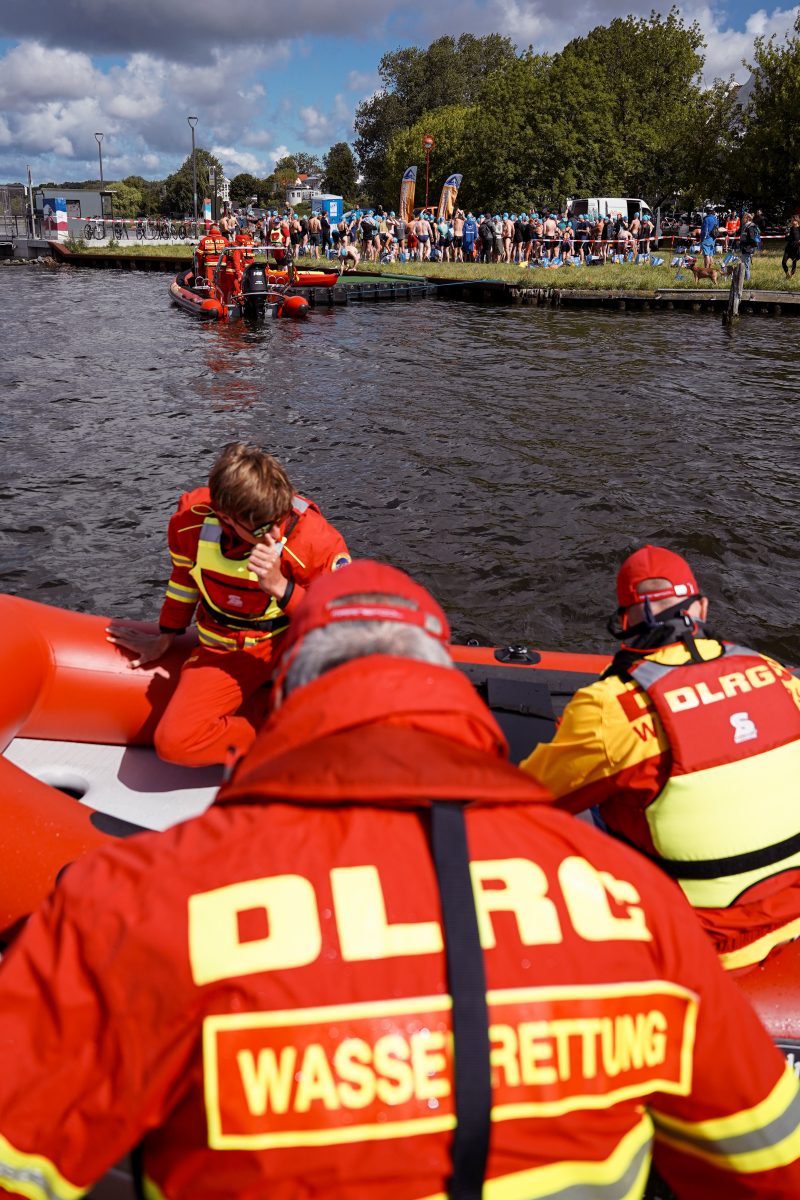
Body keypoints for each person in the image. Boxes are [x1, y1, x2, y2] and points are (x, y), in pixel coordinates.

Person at [2, 559, 800, 1200]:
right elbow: (769, 1165)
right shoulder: (631, 902)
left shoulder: (132, 903)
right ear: (447, 684)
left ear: (287, 694)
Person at [521, 543, 800, 971]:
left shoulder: (611, 706)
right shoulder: (773, 672)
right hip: (793, 910)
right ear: (701, 608)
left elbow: (525, 800)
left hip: (706, 940)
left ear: (625, 621)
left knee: (590, 799)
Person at [106, 442, 350, 768]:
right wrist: (165, 637)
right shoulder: (189, 524)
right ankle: (286, 734)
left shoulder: (315, 539)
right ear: (225, 518)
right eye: (261, 528)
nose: (275, 533)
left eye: (279, 516)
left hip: (294, 645)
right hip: (226, 648)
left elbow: (340, 621)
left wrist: (282, 587)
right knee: (176, 742)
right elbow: (184, 580)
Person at [738, 211, 761, 283]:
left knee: (746, 266)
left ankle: (747, 281)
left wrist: (744, 242)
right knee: (744, 264)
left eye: (743, 218)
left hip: (748, 248)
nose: (742, 219)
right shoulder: (745, 226)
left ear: (747, 218)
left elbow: (752, 238)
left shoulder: (750, 227)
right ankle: (745, 280)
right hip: (745, 247)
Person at [700, 203, 718, 268]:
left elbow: (705, 230)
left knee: (706, 255)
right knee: (710, 255)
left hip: (707, 238)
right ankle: (710, 269)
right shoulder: (715, 219)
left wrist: (702, 239)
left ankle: (706, 269)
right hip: (713, 238)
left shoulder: (706, 219)